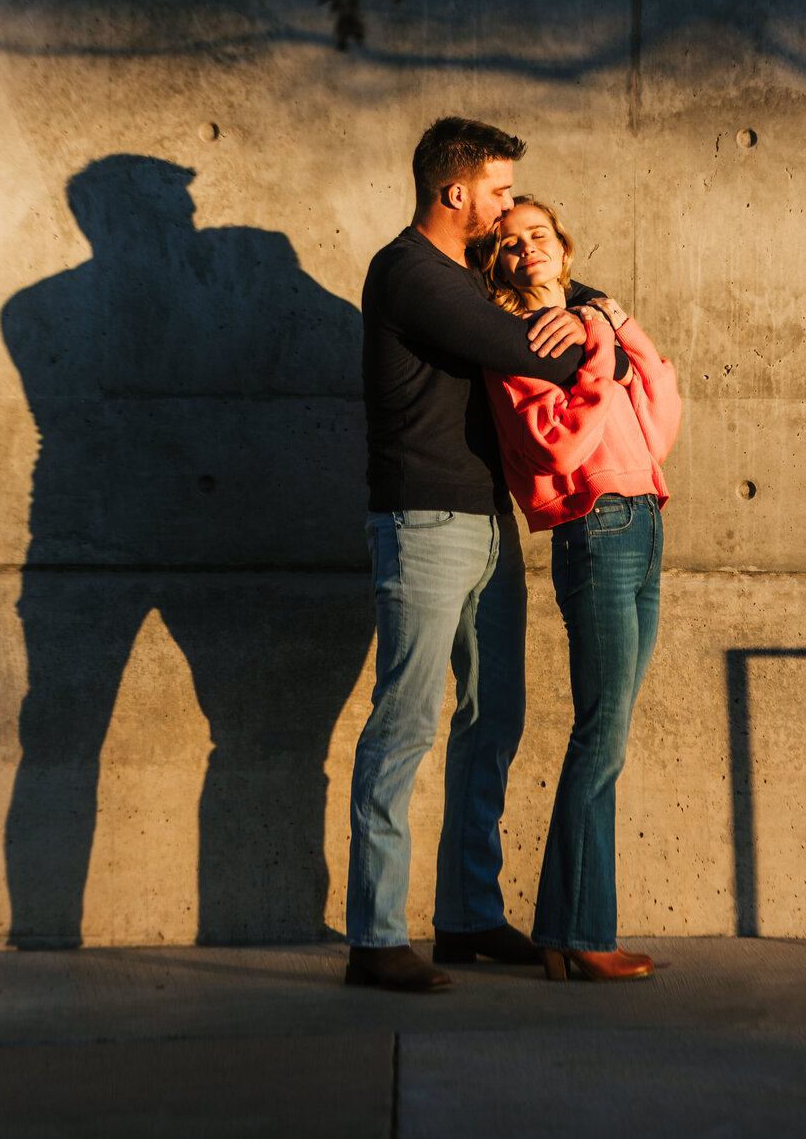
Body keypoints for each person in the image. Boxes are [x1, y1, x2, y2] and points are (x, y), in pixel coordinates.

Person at [346, 117, 625, 993]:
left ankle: (467, 917)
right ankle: (376, 938)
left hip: (485, 522)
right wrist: (597, 323)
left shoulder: (466, 278)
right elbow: (527, 350)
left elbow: (567, 300)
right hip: (422, 523)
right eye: (500, 191)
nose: (509, 210)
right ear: (454, 191)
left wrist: (591, 309)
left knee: (491, 717)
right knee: (405, 725)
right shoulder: (412, 275)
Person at [481, 196, 681, 983]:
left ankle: (572, 929)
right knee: (600, 733)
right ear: (497, 265)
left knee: (611, 735)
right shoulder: (516, 340)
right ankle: (578, 932)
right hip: (594, 527)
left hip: (644, 523)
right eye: (509, 242)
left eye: (538, 234)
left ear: (563, 248)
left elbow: (659, 417)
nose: (526, 248)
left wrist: (612, 326)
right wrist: (594, 354)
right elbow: (559, 440)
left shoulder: (590, 328)